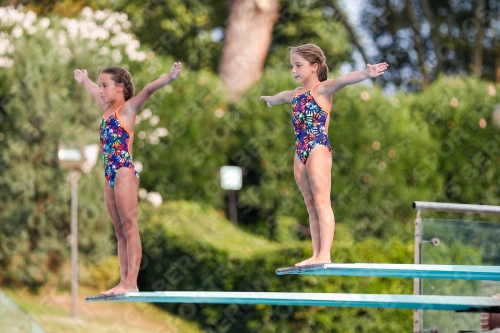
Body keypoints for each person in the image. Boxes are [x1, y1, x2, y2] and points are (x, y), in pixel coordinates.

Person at [260, 44, 387, 266]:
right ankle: (315, 253)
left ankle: (325, 254)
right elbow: (283, 96)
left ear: (314, 66)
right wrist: (272, 98)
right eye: (292, 66)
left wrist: (366, 74)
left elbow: (344, 80)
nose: (294, 70)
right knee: (310, 204)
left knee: (321, 202)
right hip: (300, 151)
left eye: (298, 65)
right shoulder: (297, 94)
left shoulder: (322, 89)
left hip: (317, 147)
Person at [74, 62, 182, 294]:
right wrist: (85, 81)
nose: (101, 90)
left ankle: (131, 283)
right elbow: (94, 91)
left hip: (123, 171)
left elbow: (149, 89)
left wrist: (170, 78)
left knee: (130, 227)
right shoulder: (105, 109)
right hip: (109, 174)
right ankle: (123, 282)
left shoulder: (128, 110)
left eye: (105, 85)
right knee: (119, 231)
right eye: (100, 85)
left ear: (121, 88)